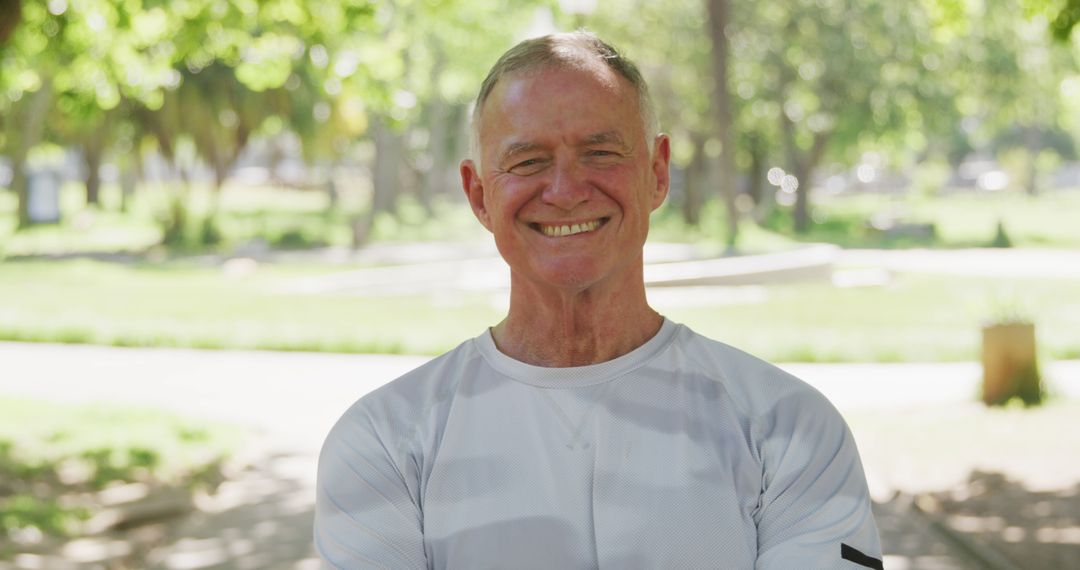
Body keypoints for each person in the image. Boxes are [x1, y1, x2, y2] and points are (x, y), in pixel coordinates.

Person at [314, 31, 882, 569]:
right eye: (528, 160)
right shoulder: (384, 443)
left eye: (601, 153)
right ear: (479, 194)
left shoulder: (791, 430)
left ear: (657, 173)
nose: (565, 190)